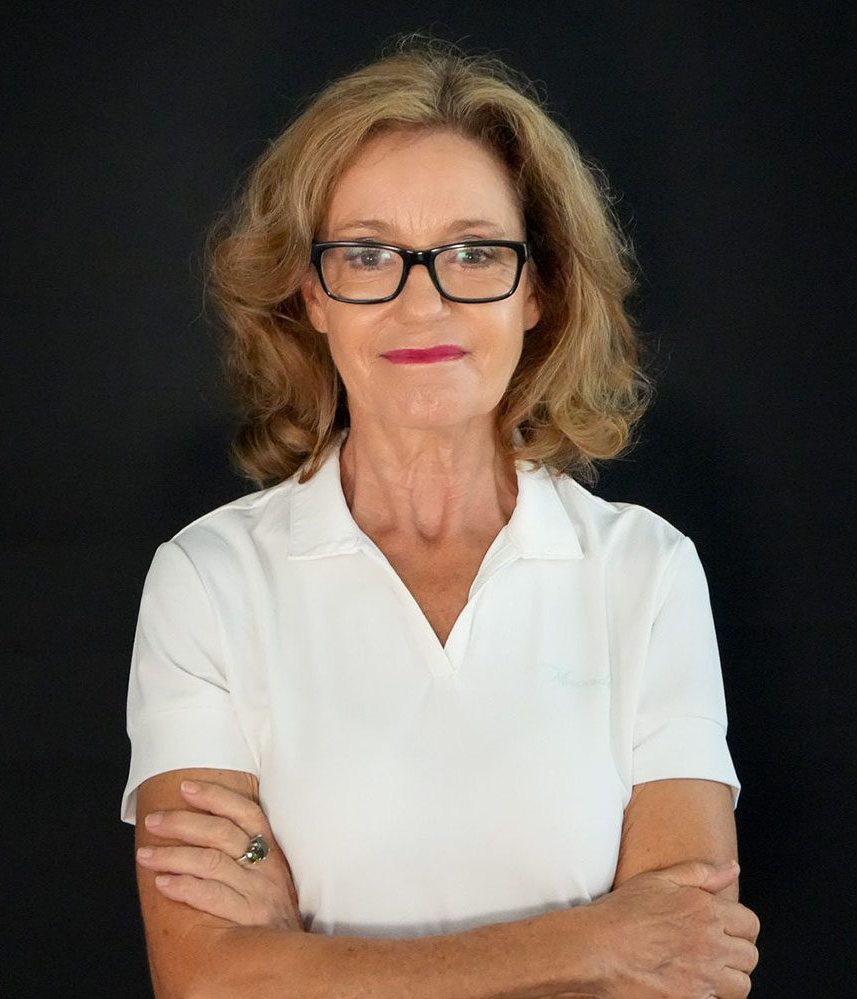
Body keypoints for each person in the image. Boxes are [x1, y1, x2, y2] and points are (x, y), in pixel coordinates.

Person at [121, 35, 760, 998]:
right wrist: (595, 944)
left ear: (538, 288)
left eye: (473, 251)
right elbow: (207, 980)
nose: (423, 302)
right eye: (367, 254)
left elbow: (687, 965)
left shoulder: (647, 570)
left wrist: (301, 957)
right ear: (312, 293)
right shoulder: (209, 578)